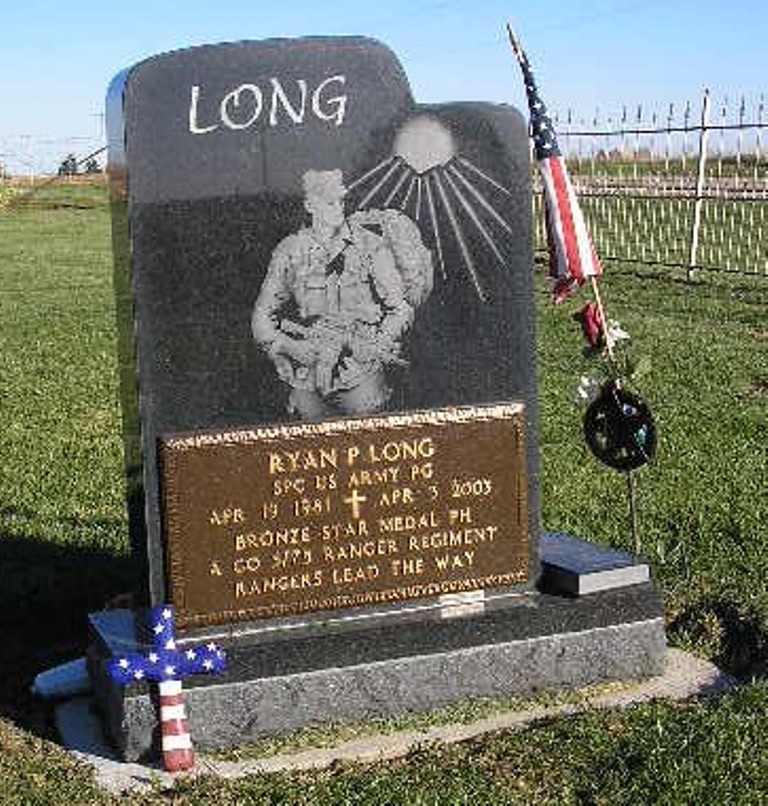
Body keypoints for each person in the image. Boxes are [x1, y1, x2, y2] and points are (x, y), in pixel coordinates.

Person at [252, 169, 432, 419]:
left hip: (360, 376)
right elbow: (262, 316)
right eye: (329, 202)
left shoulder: (370, 244)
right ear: (310, 205)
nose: (338, 208)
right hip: (306, 377)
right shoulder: (290, 251)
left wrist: (378, 343)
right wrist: (290, 346)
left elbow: (401, 308)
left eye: (340, 201)